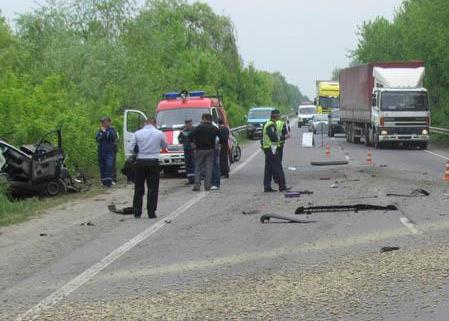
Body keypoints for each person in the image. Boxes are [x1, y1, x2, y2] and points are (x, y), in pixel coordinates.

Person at [128, 118, 167, 219]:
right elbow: (164, 146)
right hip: (153, 161)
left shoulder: (137, 133)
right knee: (153, 188)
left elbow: (130, 148)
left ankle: (137, 212)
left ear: (145, 123)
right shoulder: (159, 133)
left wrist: (138, 152)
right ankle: (151, 212)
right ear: (155, 123)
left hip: (140, 161)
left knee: (139, 188)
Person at [261, 109, 290, 192]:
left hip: (268, 148)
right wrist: (284, 137)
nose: (279, 117)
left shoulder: (269, 123)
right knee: (278, 167)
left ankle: (267, 186)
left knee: (269, 168)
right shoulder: (270, 125)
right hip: (271, 148)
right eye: (279, 115)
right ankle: (282, 186)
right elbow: (273, 137)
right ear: (276, 116)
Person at [190, 113, 220, 191]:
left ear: (204, 119)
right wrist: (219, 144)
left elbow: (190, 135)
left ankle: (197, 185)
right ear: (211, 119)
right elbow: (221, 137)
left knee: (198, 167)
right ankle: (207, 186)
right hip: (210, 150)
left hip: (199, 150)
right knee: (208, 168)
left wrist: (192, 143)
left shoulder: (198, 128)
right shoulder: (214, 128)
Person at [96, 117, 118, 187]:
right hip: (101, 150)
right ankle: (103, 181)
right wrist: (103, 134)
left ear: (109, 122)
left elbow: (112, 137)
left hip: (110, 150)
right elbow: (98, 139)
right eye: (102, 122)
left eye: (104, 122)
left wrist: (104, 132)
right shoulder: (100, 130)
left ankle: (109, 181)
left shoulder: (112, 129)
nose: (103, 123)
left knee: (109, 165)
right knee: (102, 166)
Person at [178, 119, 195, 185]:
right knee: (188, 164)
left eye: (190, 123)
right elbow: (179, 139)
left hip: (193, 149)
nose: (189, 125)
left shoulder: (194, 130)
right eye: (187, 124)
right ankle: (190, 179)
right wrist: (183, 142)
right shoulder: (183, 131)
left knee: (194, 164)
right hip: (186, 149)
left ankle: (195, 179)